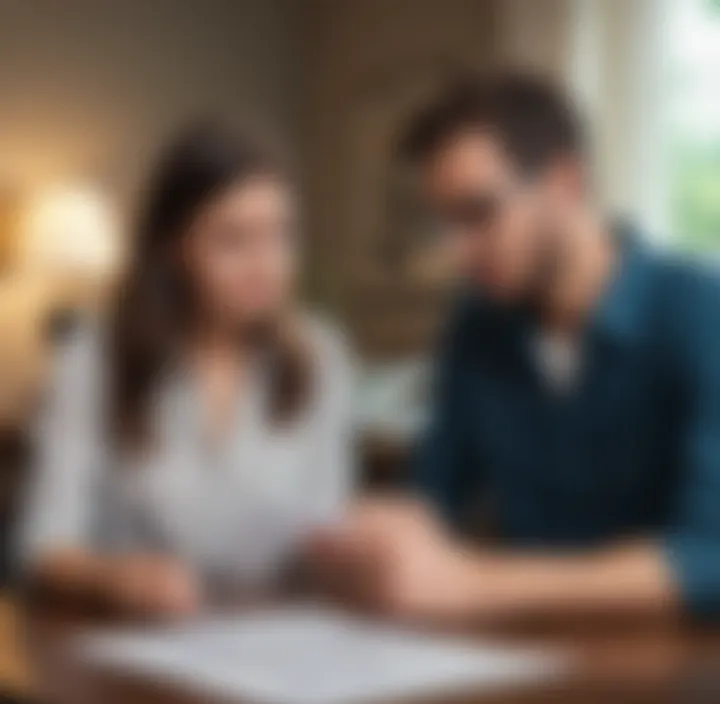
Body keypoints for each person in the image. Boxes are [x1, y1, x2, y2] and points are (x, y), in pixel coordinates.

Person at [307, 72, 720, 623]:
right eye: (446, 224)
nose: (458, 253)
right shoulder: (477, 327)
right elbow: (435, 501)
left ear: (566, 183)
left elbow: (708, 558)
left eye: (479, 213)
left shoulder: (699, 313)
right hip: (520, 673)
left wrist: (476, 582)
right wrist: (383, 534)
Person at [18, 123, 354, 617]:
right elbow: (44, 546)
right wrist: (113, 577)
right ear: (175, 248)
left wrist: (358, 555)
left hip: (273, 641)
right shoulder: (96, 357)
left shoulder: (320, 354)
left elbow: (328, 531)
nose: (267, 266)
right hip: (128, 645)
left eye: (280, 235)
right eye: (234, 241)